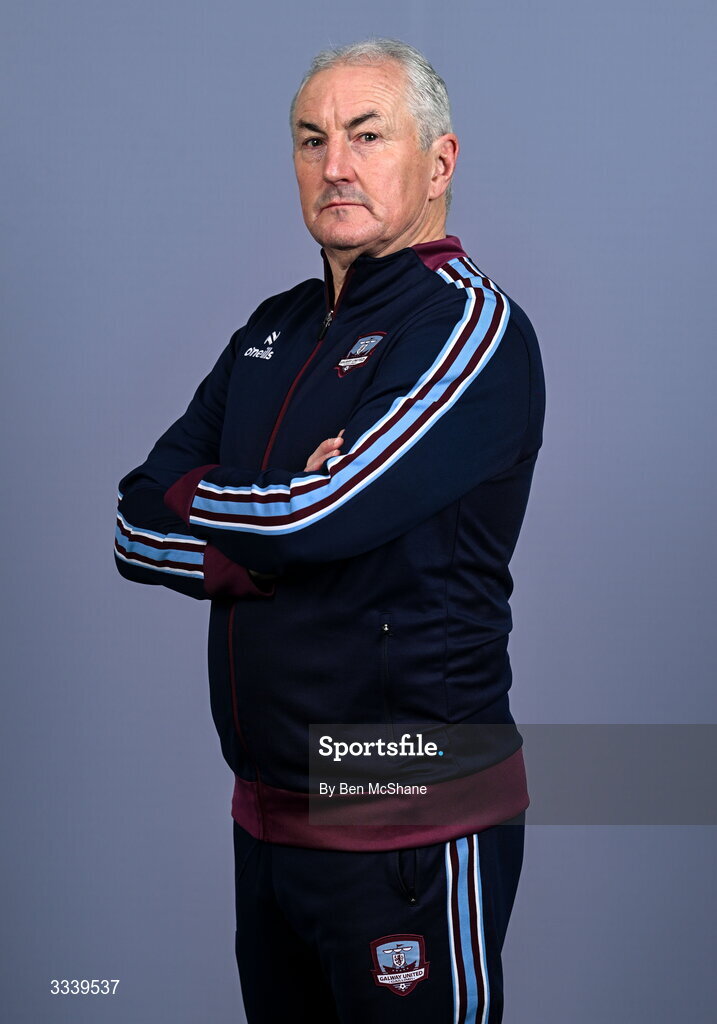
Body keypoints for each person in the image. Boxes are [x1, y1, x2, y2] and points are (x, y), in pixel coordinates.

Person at [114, 37, 545, 1024]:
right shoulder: (274, 329)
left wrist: (286, 511)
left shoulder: (469, 329)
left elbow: (322, 511)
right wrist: (286, 526)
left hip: (409, 821)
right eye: (311, 140)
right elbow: (137, 520)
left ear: (438, 162)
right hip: (267, 818)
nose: (334, 165)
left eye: (365, 134)